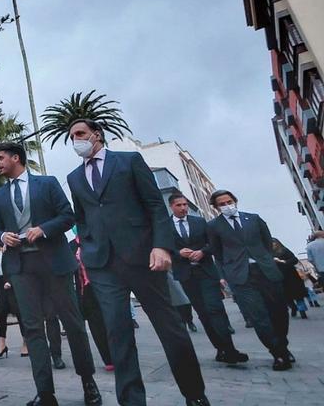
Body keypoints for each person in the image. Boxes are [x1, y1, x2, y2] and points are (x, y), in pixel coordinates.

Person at [66, 119, 208, 406]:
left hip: (144, 257)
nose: (76, 140)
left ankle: (194, 394)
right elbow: (82, 218)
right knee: (118, 334)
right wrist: (88, 247)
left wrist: (161, 246)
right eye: (71, 137)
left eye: (80, 134)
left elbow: (155, 205)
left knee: (170, 328)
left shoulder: (129, 161)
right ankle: (131, 400)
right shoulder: (74, 177)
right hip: (102, 265)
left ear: (97, 135)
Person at [0, 142, 102, 406]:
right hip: (20, 267)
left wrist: (43, 229)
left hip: (54, 263)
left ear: (15, 158)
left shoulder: (48, 183)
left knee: (73, 323)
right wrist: (2, 235)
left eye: (0, 158)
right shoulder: (1, 195)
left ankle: (89, 383)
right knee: (32, 328)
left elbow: (68, 216)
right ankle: (45, 393)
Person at [207, 189, 293, 371]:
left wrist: (266, 260)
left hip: (265, 271)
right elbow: (218, 253)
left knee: (278, 312)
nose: (226, 205)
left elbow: (267, 242)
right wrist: (225, 275)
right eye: (221, 204)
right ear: (216, 207)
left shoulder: (253, 218)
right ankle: (277, 353)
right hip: (241, 277)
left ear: (235, 201)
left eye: (229, 201)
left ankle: (282, 345)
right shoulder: (214, 226)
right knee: (259, 317)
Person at [168, 193, 247, 364]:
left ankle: (230, 350)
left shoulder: (199, 222)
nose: (183, 208)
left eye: (185, 205)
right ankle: (221, 349)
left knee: (215, 310)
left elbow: (213, 244)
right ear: (171, 207)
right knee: (203, 314)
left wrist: (203, 251)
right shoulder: (165, 226)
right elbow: (165, 248)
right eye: (179, 205)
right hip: (186, 276)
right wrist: (178, 253)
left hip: (206, 272)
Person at [68, 236, 114, 372]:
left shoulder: (97, 238)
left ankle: (120, 353)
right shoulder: (72, 245)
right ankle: (108, 359)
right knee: (96, 325)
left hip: (104, 285)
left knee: (113, 320)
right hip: (85, 289)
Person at [0, 245, 29, 358]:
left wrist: (10, 281)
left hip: (12, 285)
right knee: (2, 314)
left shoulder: (10, 250)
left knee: (19, 313)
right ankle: (2, 344)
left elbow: (16, 267)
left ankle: (26, 342)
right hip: (0, 286)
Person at [271, 238, 308, 319]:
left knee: (298, 295)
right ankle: (293, 307)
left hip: (291, 276)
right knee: (286, 296)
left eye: (273, 243)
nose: (273, 244)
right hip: (279, 277)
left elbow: (294, 260)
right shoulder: (268, 254)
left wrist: (283, 261)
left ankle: (302, 311)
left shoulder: (284, 250)